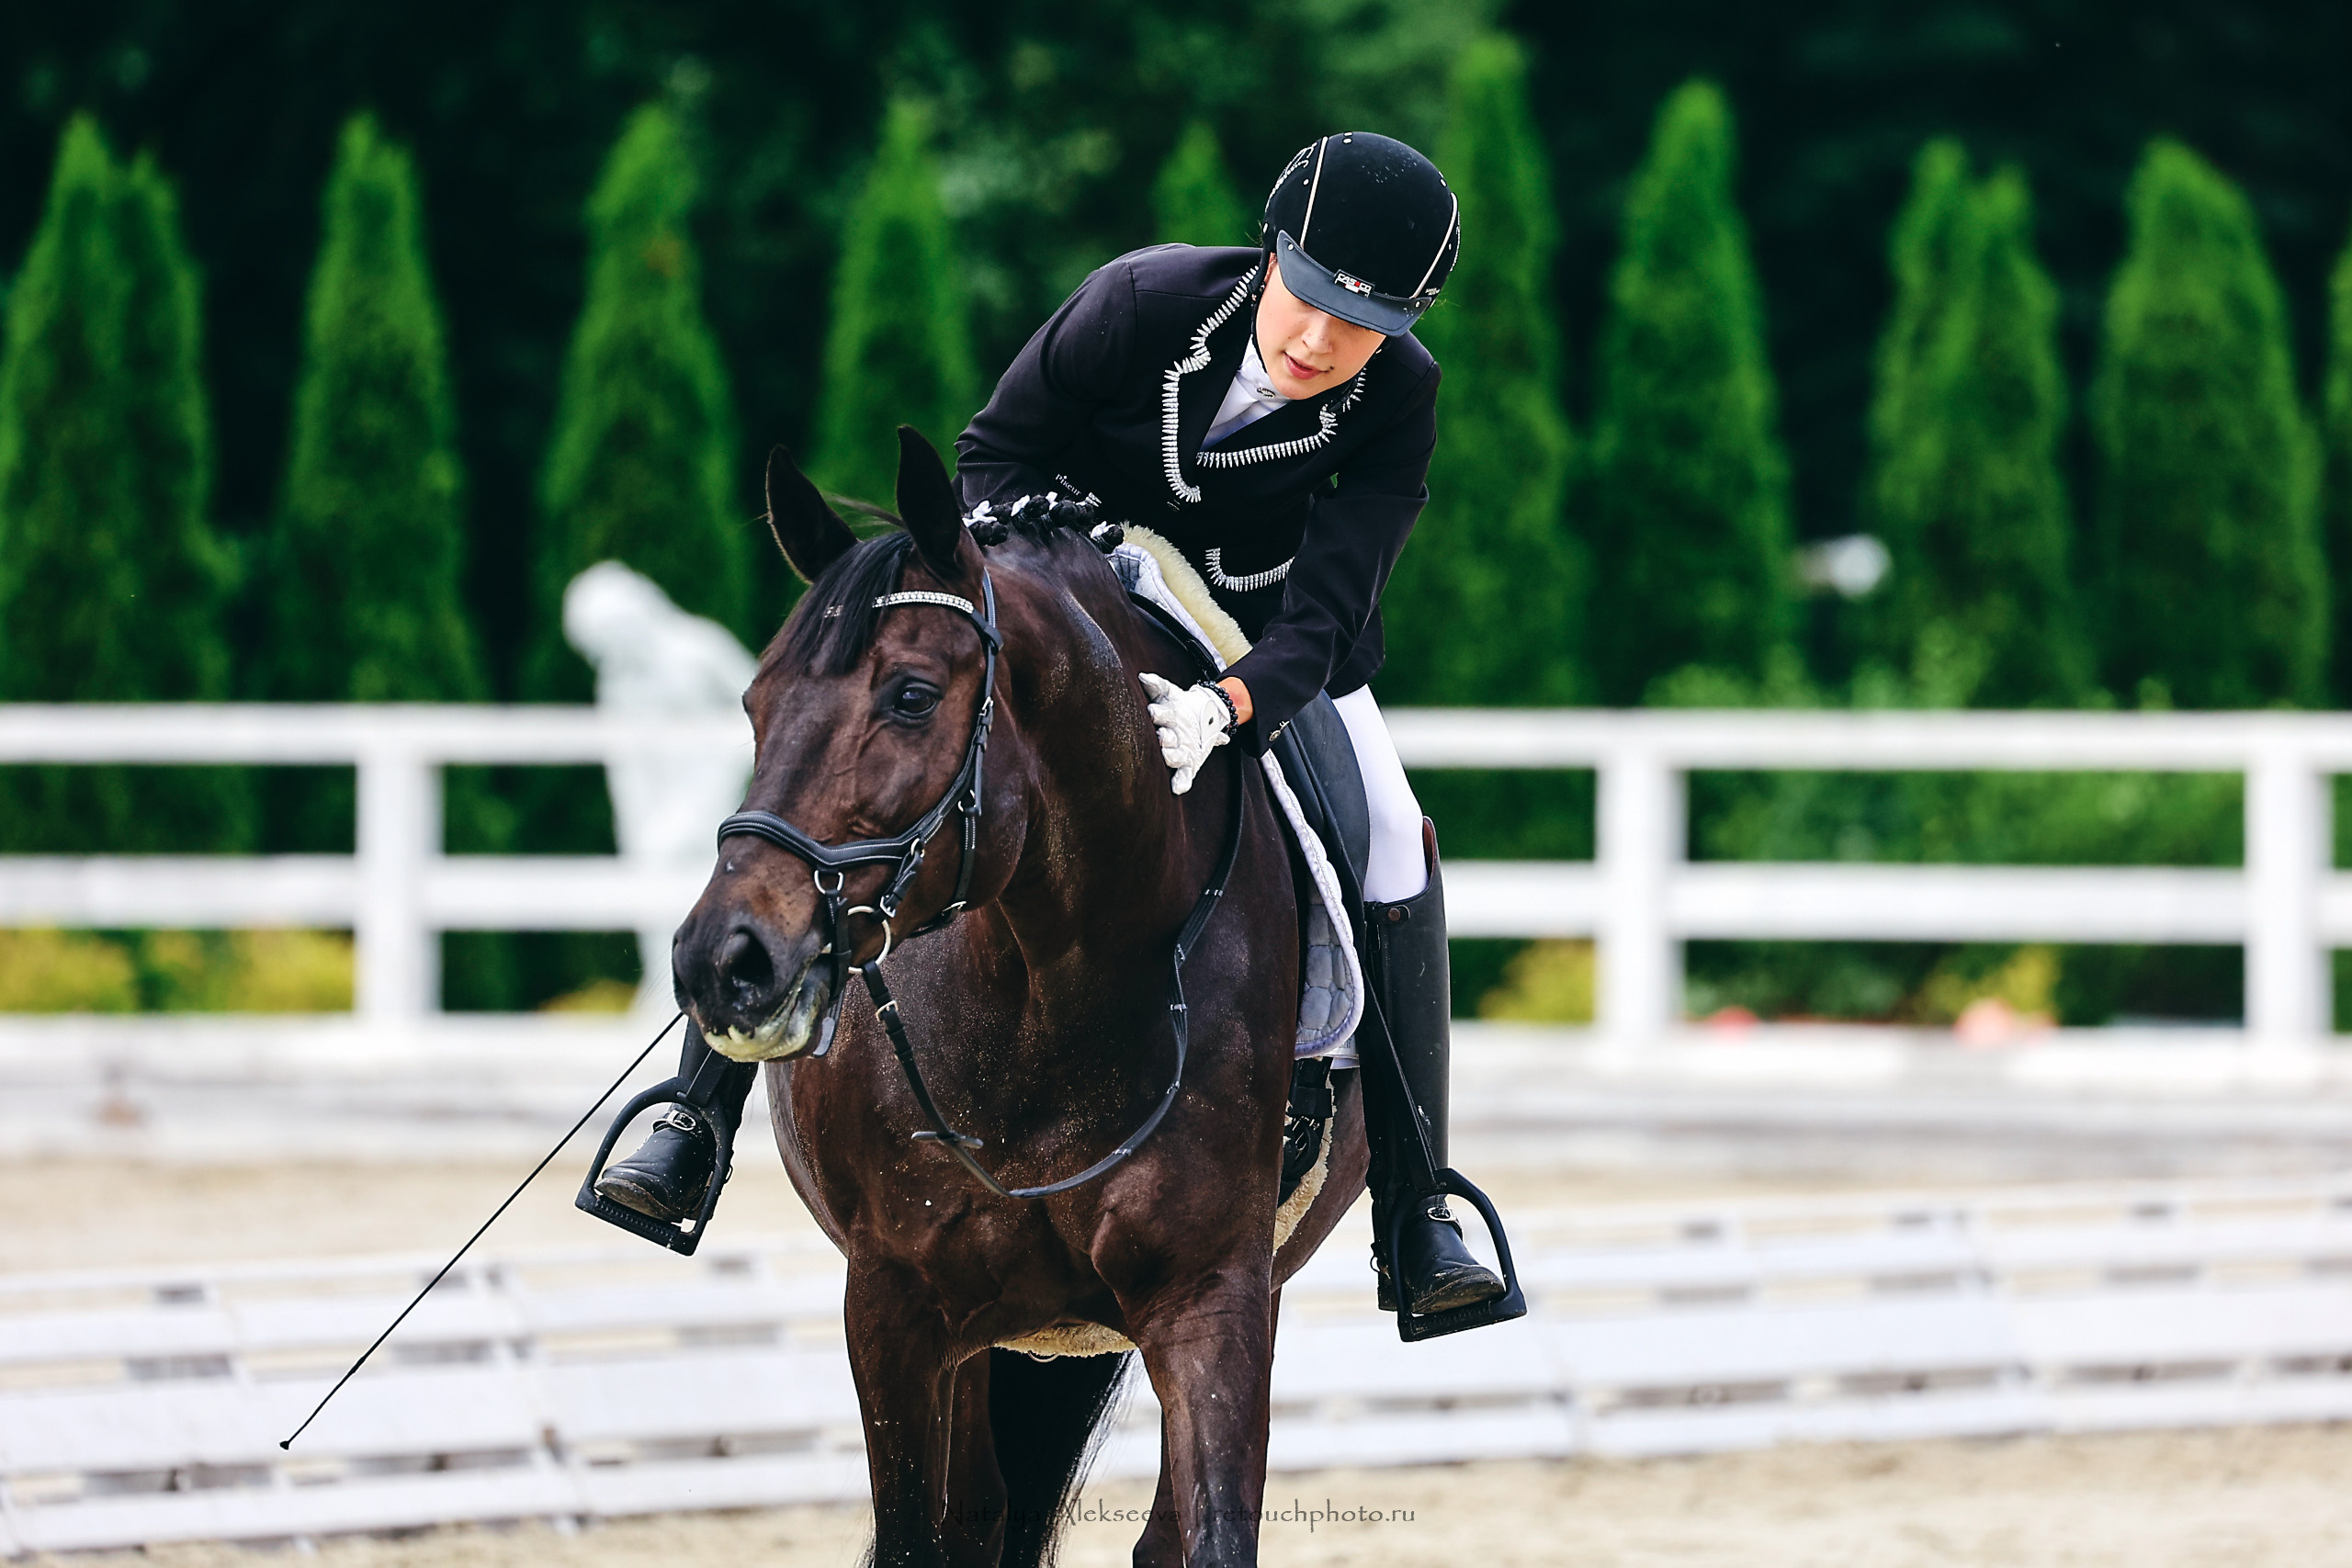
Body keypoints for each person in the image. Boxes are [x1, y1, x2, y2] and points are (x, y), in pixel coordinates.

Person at [597, 131, 1506, 1325]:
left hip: (1256, 631)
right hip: (1069, 584)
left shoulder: (1400, 398)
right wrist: (1042, 542)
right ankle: (691, 1122)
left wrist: (1232, 707)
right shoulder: (1139, 302)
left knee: (1392, 829)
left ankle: (1415, 1209)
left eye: (1361, 324)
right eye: (1312, 298)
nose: (1319, 341)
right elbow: (993, 453)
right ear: (1271, 254)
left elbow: (1335, 603)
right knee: (852, 752)